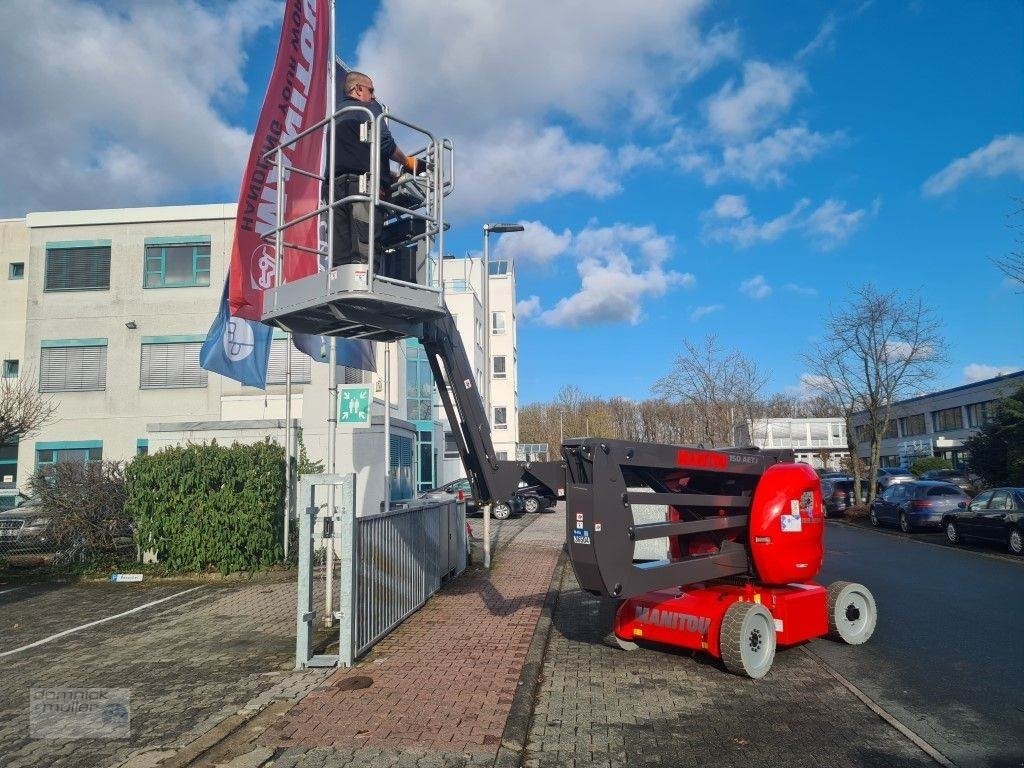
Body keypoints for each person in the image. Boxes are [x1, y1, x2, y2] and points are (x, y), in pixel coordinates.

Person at [331, 71, 424, 269]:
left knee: (340, 253)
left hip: (335, 190)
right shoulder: (369, 108)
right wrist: (408, 162)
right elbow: (384, 142)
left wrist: (388, 174)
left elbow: (355, 155)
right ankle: (363, 286)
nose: (373, 95)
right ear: (357, 89)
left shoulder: (336, 117)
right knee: (364, 250)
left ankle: (339, 288)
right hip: (362, 188)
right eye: (371, 90)